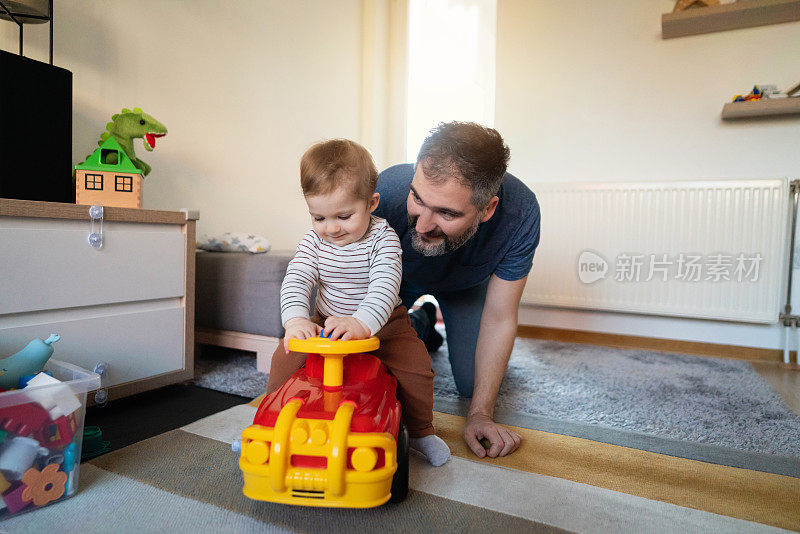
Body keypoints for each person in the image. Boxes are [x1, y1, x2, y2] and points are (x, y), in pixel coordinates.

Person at [265, 138, 450, 466]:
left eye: (344, 216)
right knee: (283, 357)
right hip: (327, 322)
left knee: (416, 367)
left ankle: (422, 431)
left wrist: (361, 323)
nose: (331, 228)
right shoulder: (313, 241)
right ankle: (272, 422)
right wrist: (295, 320)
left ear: (371, 202)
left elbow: (384, 285)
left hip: (385, 323)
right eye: (319, 218)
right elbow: (297, 278)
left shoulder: (383, 238)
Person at [374, 121, 541, 459]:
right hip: (393, 282)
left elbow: (500, 316)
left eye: (446, 213)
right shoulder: (385, 192)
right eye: (418, 199)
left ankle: (418, 322)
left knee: (472, 386)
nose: (421, 225)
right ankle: (419, 322)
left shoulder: (521, 213)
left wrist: (481, 415)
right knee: (373, 365)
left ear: (488, 209)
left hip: (466, 286)